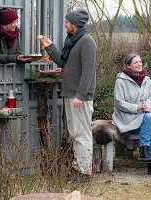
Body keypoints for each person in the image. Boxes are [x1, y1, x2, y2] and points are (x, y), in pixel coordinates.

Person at [39, 8, 97, 180]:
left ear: (75, 24)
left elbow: (88, 72)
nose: (65, 24)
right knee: (75, 133)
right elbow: (64, 63)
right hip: (72, 94)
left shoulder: (87, 42)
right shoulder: (73, 40)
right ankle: (78, 168)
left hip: (79, 96)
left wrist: (80, 95)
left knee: (82, 134)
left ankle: (84, 171)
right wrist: (50, 47)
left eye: (67, 22)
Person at [112, 53, 151, 175]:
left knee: (148, 117)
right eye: (136, 62)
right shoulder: (121, 81)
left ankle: (144, 152)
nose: (139, 64)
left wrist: (149, 106)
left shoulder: (146, 80)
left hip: (143, 117)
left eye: (140, 61)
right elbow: (119, 103)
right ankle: (150, 163)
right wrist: (137, 107)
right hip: (127, 119)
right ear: (128, 66)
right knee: (149, 130)